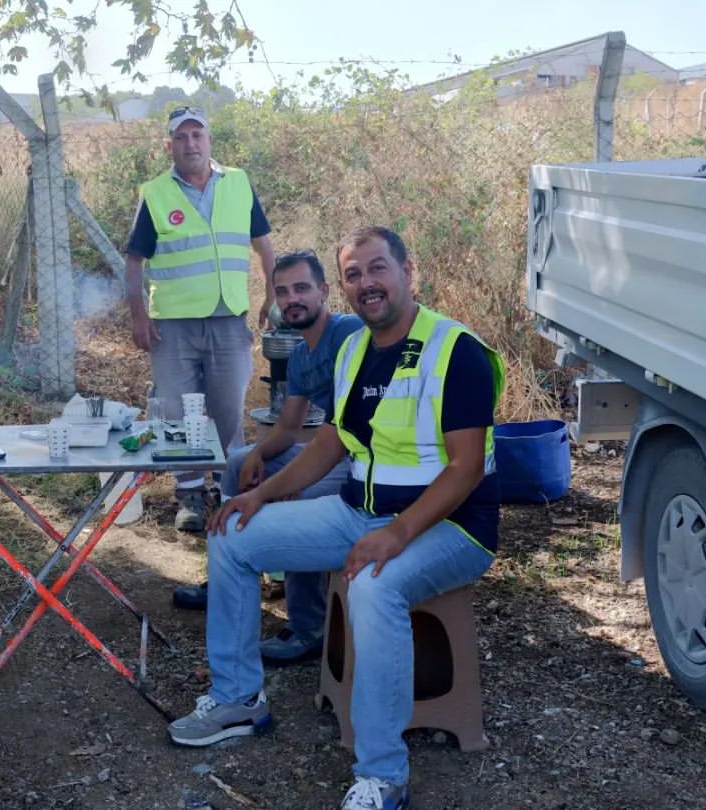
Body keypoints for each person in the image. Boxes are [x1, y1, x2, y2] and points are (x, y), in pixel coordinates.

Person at [167, 227, 505, 810]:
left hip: (450, 529)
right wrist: (260, 494)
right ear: (343, 286)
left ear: (407, 271)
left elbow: (467, 467)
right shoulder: (353, 349)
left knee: (373, 584)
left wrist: (396, 534)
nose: (366, 284)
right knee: (232, 536)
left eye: (378, 268)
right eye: (354, 274)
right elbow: (334, 442)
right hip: (360, 514)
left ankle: (383, 774)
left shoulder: (457, 351)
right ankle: (239, 699)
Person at [171, 250, 363, 665]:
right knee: (239, 461)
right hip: (330, 450)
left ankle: (308, 626)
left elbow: (342, 435)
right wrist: (259, 453)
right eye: (282, 291)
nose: (292, 298)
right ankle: (226, 574)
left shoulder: (350, 332)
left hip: (361, 459)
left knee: (304, 493)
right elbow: (290, 428)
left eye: (302, 289)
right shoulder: (299, 357)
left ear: (324, 292)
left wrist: (287, 483)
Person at [123, 106, 276, 531]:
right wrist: (138, 315)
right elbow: (134, 261)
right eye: (181, 137)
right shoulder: (155, 193)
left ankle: (230, 492)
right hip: (171, 326)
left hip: (228, 319)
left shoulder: (239, 184)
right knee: (178, 411)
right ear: (169, 145)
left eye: (197, 135)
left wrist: (271, 295)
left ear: (209, 141)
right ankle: (190, 494)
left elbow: (264, 247)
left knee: (228, 409)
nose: (190, 144)